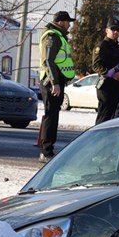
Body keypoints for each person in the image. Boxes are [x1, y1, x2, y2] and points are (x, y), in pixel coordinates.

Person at [37, 10, 77, 163]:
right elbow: (48, 61)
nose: (69, 25)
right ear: (60, 22)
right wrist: (55, 83)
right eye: (68, 22)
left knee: (53, 116)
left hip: (57, 82)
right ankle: (46, 151)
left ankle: (48, 150)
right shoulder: (52, 36)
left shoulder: (59, 36)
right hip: (52, 83)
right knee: (50, 116)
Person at [91, 18, 119, 124]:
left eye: (118, 30)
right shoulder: (102, 46)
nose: (115, 32)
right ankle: (98, 139)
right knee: (104, 117)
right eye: (113, 29)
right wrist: (112, 74)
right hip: (106, 86)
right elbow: (96, 65)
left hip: (117, 86)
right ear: (107, 30)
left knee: (114, 118)